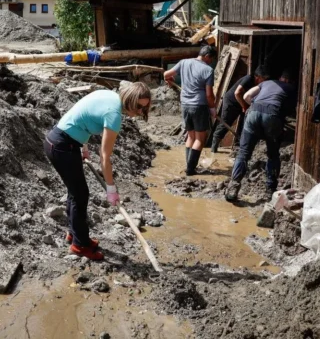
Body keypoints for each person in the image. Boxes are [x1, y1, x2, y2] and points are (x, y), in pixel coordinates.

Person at [44, 83, 151, 260]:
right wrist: (111, 189)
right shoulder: (114, 115)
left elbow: (82, 116)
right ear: (130, 100)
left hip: (59, 142)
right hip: (62, 147)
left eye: (144, 108)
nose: (140, 112)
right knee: (80, 195)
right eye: (139, 106)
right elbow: (104, 158)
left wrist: (83, 145)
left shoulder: (108, 95)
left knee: (75, 192)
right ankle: (80, 245)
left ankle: (74, 234)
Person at [225, 70, 297, 202]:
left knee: (244, 153)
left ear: (280, 78)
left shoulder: (266, 83)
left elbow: (246, 96)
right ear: (289, 81)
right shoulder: (292, 88)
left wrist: (254, 107)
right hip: (272, 116)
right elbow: (292, 109)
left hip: (253, 112)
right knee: (273, 154)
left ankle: (233, 187)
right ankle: (270, 190)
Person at [163, 45, 216, 176]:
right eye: (212, 59)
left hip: (185, 105)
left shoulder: (184, 62)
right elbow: (209, 95)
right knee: (199, 139)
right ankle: (191, 170)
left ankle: (189, 165)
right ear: (207, 56)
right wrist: (212, 108)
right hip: (199, 106)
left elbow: (166, 74)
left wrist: (169, 80)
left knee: (190, 136)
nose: (211, 62)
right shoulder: (208, 70)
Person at [210, 65, 270, 153]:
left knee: (245, 122)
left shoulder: (258, 84)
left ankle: (241, 145)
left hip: (242, 102)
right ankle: (213, 148)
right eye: (264, 78)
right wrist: (244, 106)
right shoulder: (249, 79)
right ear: (258, 77)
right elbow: (237, 93)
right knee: (226, 122)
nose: (265, 81)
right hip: (232, 101)